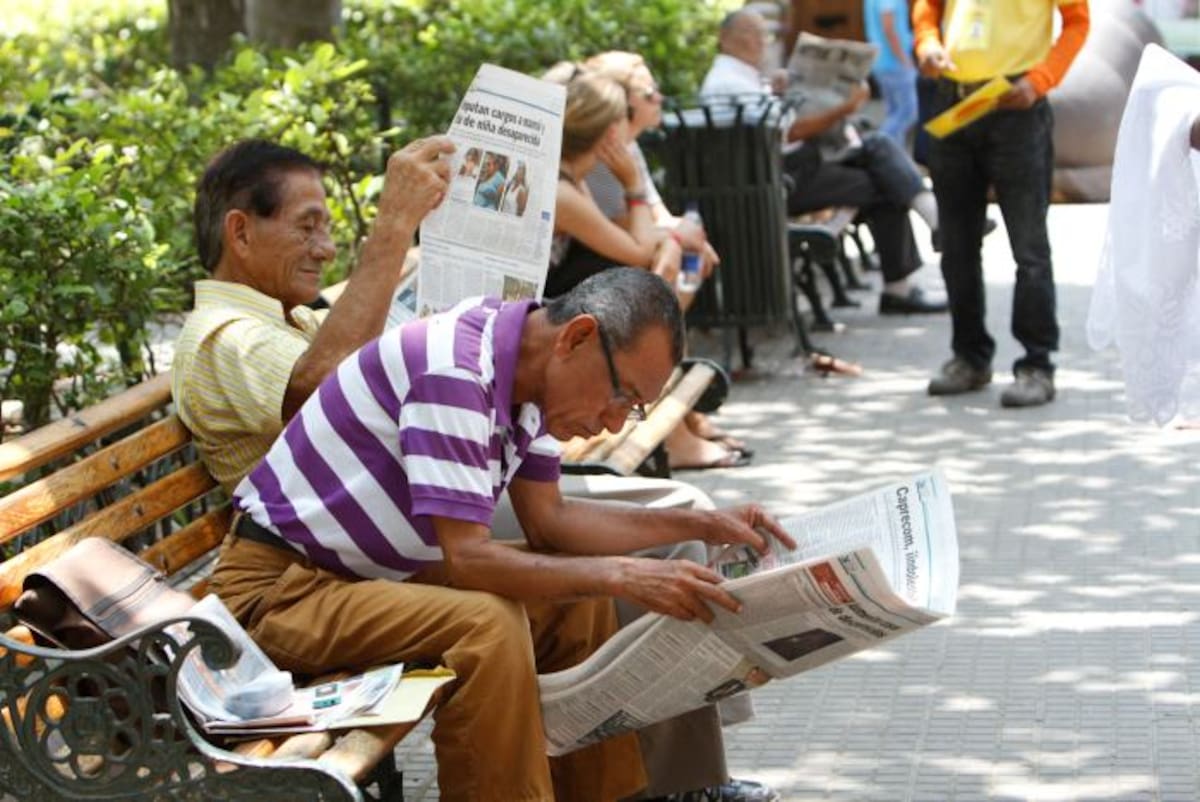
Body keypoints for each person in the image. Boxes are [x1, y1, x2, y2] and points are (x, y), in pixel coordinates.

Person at [211, 267, 796, 802]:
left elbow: (552, 522)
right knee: (487, 626)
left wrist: (700, 522)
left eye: (634, 409)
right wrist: (624, 572)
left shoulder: (523, 371)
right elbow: (469, 561)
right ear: (577, 338)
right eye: (621, 396)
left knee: (576, 600)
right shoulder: (455, 371)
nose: (615, 421)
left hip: (364, 576)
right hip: (278, 594)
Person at [171, 137, 453, 494]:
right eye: (307, 227)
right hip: (336, 540)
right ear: (241, 234)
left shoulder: (293, 320)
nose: (327, 250)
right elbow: (336, 389)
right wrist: (394, 223)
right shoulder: (218, 335)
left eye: (326, 229)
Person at [547, 66, 752, 471]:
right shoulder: (561, 190)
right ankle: (675, 432)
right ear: (608, 132)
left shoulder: (572, 178)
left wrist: (671, 242)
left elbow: (627, 235)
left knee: (662, 284)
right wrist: (636, 189)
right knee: (654, 290)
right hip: (549, 314)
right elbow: (638, 249)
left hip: (563, 298)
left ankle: (681, 424)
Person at [701, 9, 948, 315]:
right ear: (727, 40)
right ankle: (903, 272)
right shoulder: (730, 83)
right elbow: (786, 133)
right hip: (780, 181)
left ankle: (922, 240)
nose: (762, 43)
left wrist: (776, 91)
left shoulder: (739, 76)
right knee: (886, 178)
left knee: (877, 149)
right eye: (754, 35)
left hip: (780, 173)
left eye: (764, 35)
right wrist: (842, 109)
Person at [914, 0, 1089, 406]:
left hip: (1017, 106)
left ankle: (1036, 366)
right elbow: (927, 7)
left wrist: (1040, 80)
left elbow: (1078, 23)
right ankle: (969, 357)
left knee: (1029, 249)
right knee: (956, 245)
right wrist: (927, 43)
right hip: (953, 102)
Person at [864, 0, 919, 146]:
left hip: (880, 61)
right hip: (894, 62)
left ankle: (893, 156)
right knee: (908, 111)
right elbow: (888, 28)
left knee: (894, 112)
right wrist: (904, 58)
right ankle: (878, 145)